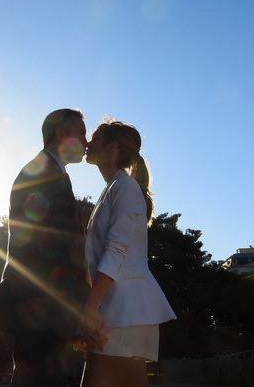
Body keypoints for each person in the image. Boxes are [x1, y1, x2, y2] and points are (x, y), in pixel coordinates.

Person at [0, 108, 91, 387]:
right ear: (62, 134)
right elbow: (48, 245)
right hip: (41, 305)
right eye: (82, 134)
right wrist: (80, 305)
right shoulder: (42, 173)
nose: (86, 143)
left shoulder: (50, 172)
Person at [79, 120, 175, 387]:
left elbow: (116, 249)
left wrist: (90, 307)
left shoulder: (124, 187)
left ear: (112, 147)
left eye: (94, 138)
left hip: (125, 308)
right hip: (122, 307)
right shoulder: (115, 187)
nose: (88, 143)